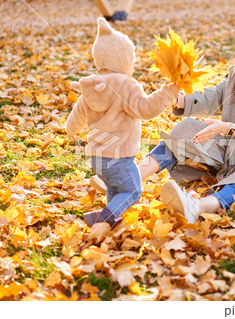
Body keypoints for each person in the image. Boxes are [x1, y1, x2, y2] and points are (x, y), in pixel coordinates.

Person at [139, 26, 235, 223]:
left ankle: (196, 207)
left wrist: (227, 128)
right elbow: (211, 97)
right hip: (230, 149)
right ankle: (132, 180)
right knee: (185, 130)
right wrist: (177, 99)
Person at [65, 18, 179, 227]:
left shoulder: (92, 87)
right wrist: (167, 93)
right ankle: (104, 217)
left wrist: (71, 130)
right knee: (133, 191)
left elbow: (77, 114)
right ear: (124, 60)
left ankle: (110, 222)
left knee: (114, 188)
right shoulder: (126, 86)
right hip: (119, 157)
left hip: (96, 157)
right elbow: (146, 109)